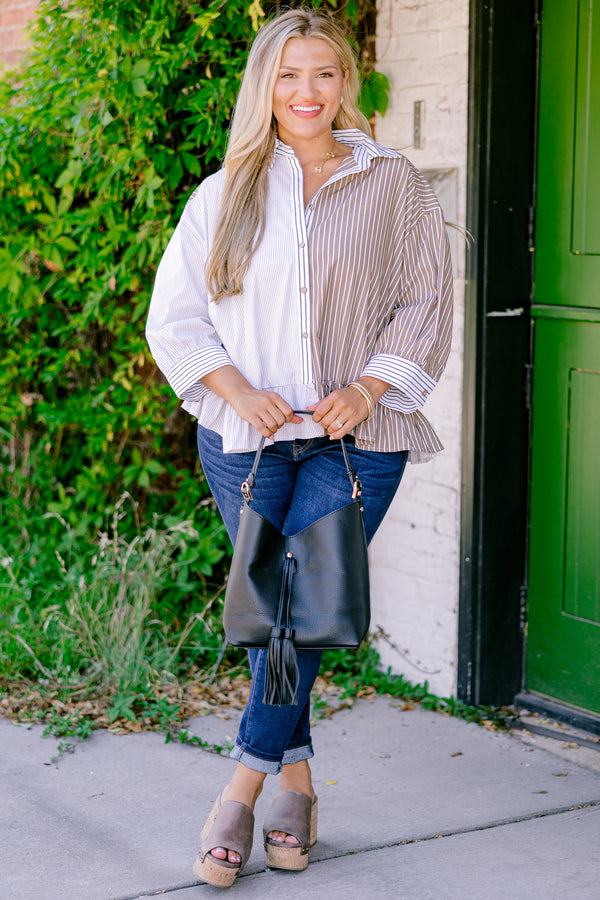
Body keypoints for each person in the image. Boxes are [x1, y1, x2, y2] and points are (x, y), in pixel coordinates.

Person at [146, 6, 453, 889]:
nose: (306, 91)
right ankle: (301, 789)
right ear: (265, 86)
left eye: (322, 72)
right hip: (245, 442)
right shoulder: (223, 193)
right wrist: (237, 391)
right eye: (287, 75)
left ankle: (239, 792)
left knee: (303, 610)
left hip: (356, 442)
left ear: (345, 82)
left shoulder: (392, 183)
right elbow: (176, 318)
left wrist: (368, 389)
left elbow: (426, 302)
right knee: (274, 616)